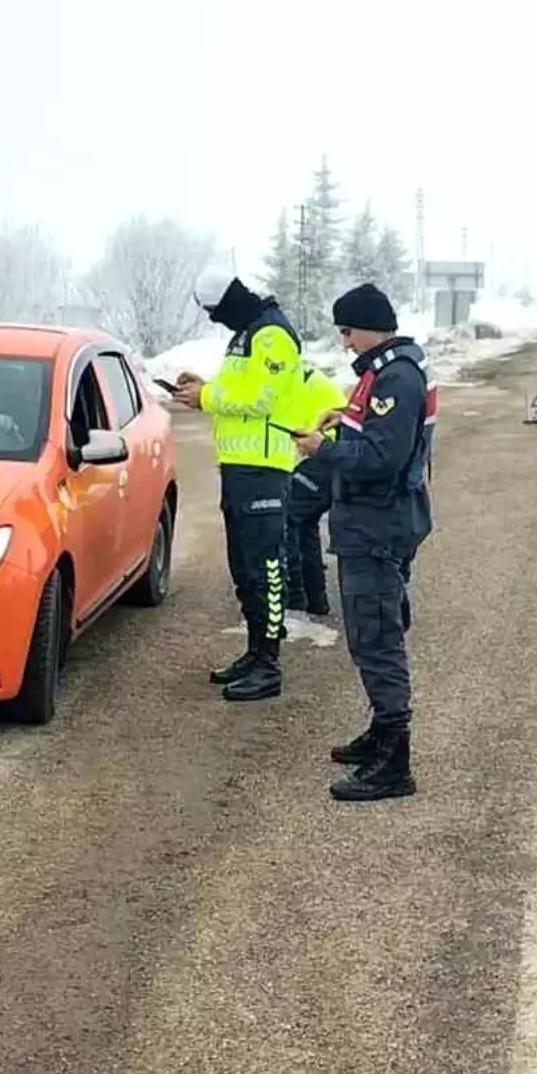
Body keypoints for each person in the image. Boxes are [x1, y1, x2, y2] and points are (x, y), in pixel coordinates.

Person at [295, 282, 432, 802]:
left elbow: (383, 460)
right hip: (373, 523)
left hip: (377, 528)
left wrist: (321, 452)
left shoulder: (396, 376)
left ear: (371, 326)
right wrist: (344, 424)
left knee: (377, 640)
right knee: (371, 633)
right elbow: (375, 438)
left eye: (348, 331)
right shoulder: (384, 371)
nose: (345, 341)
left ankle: (395, 762)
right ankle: (382, 731)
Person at [174, 263, 304, 702]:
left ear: (230, 300)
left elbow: (262, 398)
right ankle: (255, 651)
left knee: (265, 568)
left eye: (215, 310)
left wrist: (207, 397)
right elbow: (240, 389)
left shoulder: (271, 335)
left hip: (265, 469)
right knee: (243, 569)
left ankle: (269, 663)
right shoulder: (247, 333)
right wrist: (205, 387)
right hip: (240, 467)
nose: (213, 319)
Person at [286, 362, 346, 617]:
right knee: (304, 524)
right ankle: (315, 600)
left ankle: (296, 596)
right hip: (329, 458)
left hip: (322, 457)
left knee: (288, 518)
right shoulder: (303, 374)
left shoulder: (281, 375)